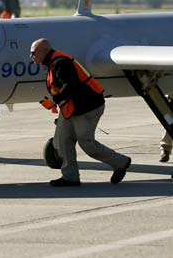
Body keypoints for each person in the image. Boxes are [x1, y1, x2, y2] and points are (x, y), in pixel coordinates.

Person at [31, 38, 132, 187]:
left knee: (87, 144)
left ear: (44, 51)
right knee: (65, 141)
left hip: (87, 108)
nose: (31, 56)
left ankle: (121, 162)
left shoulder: (60, 63)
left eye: (33, 53)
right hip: (72, 109)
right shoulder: (53, 62)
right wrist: (56, 100)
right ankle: (70, 177)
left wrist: (55, 99)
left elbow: (71, 86)